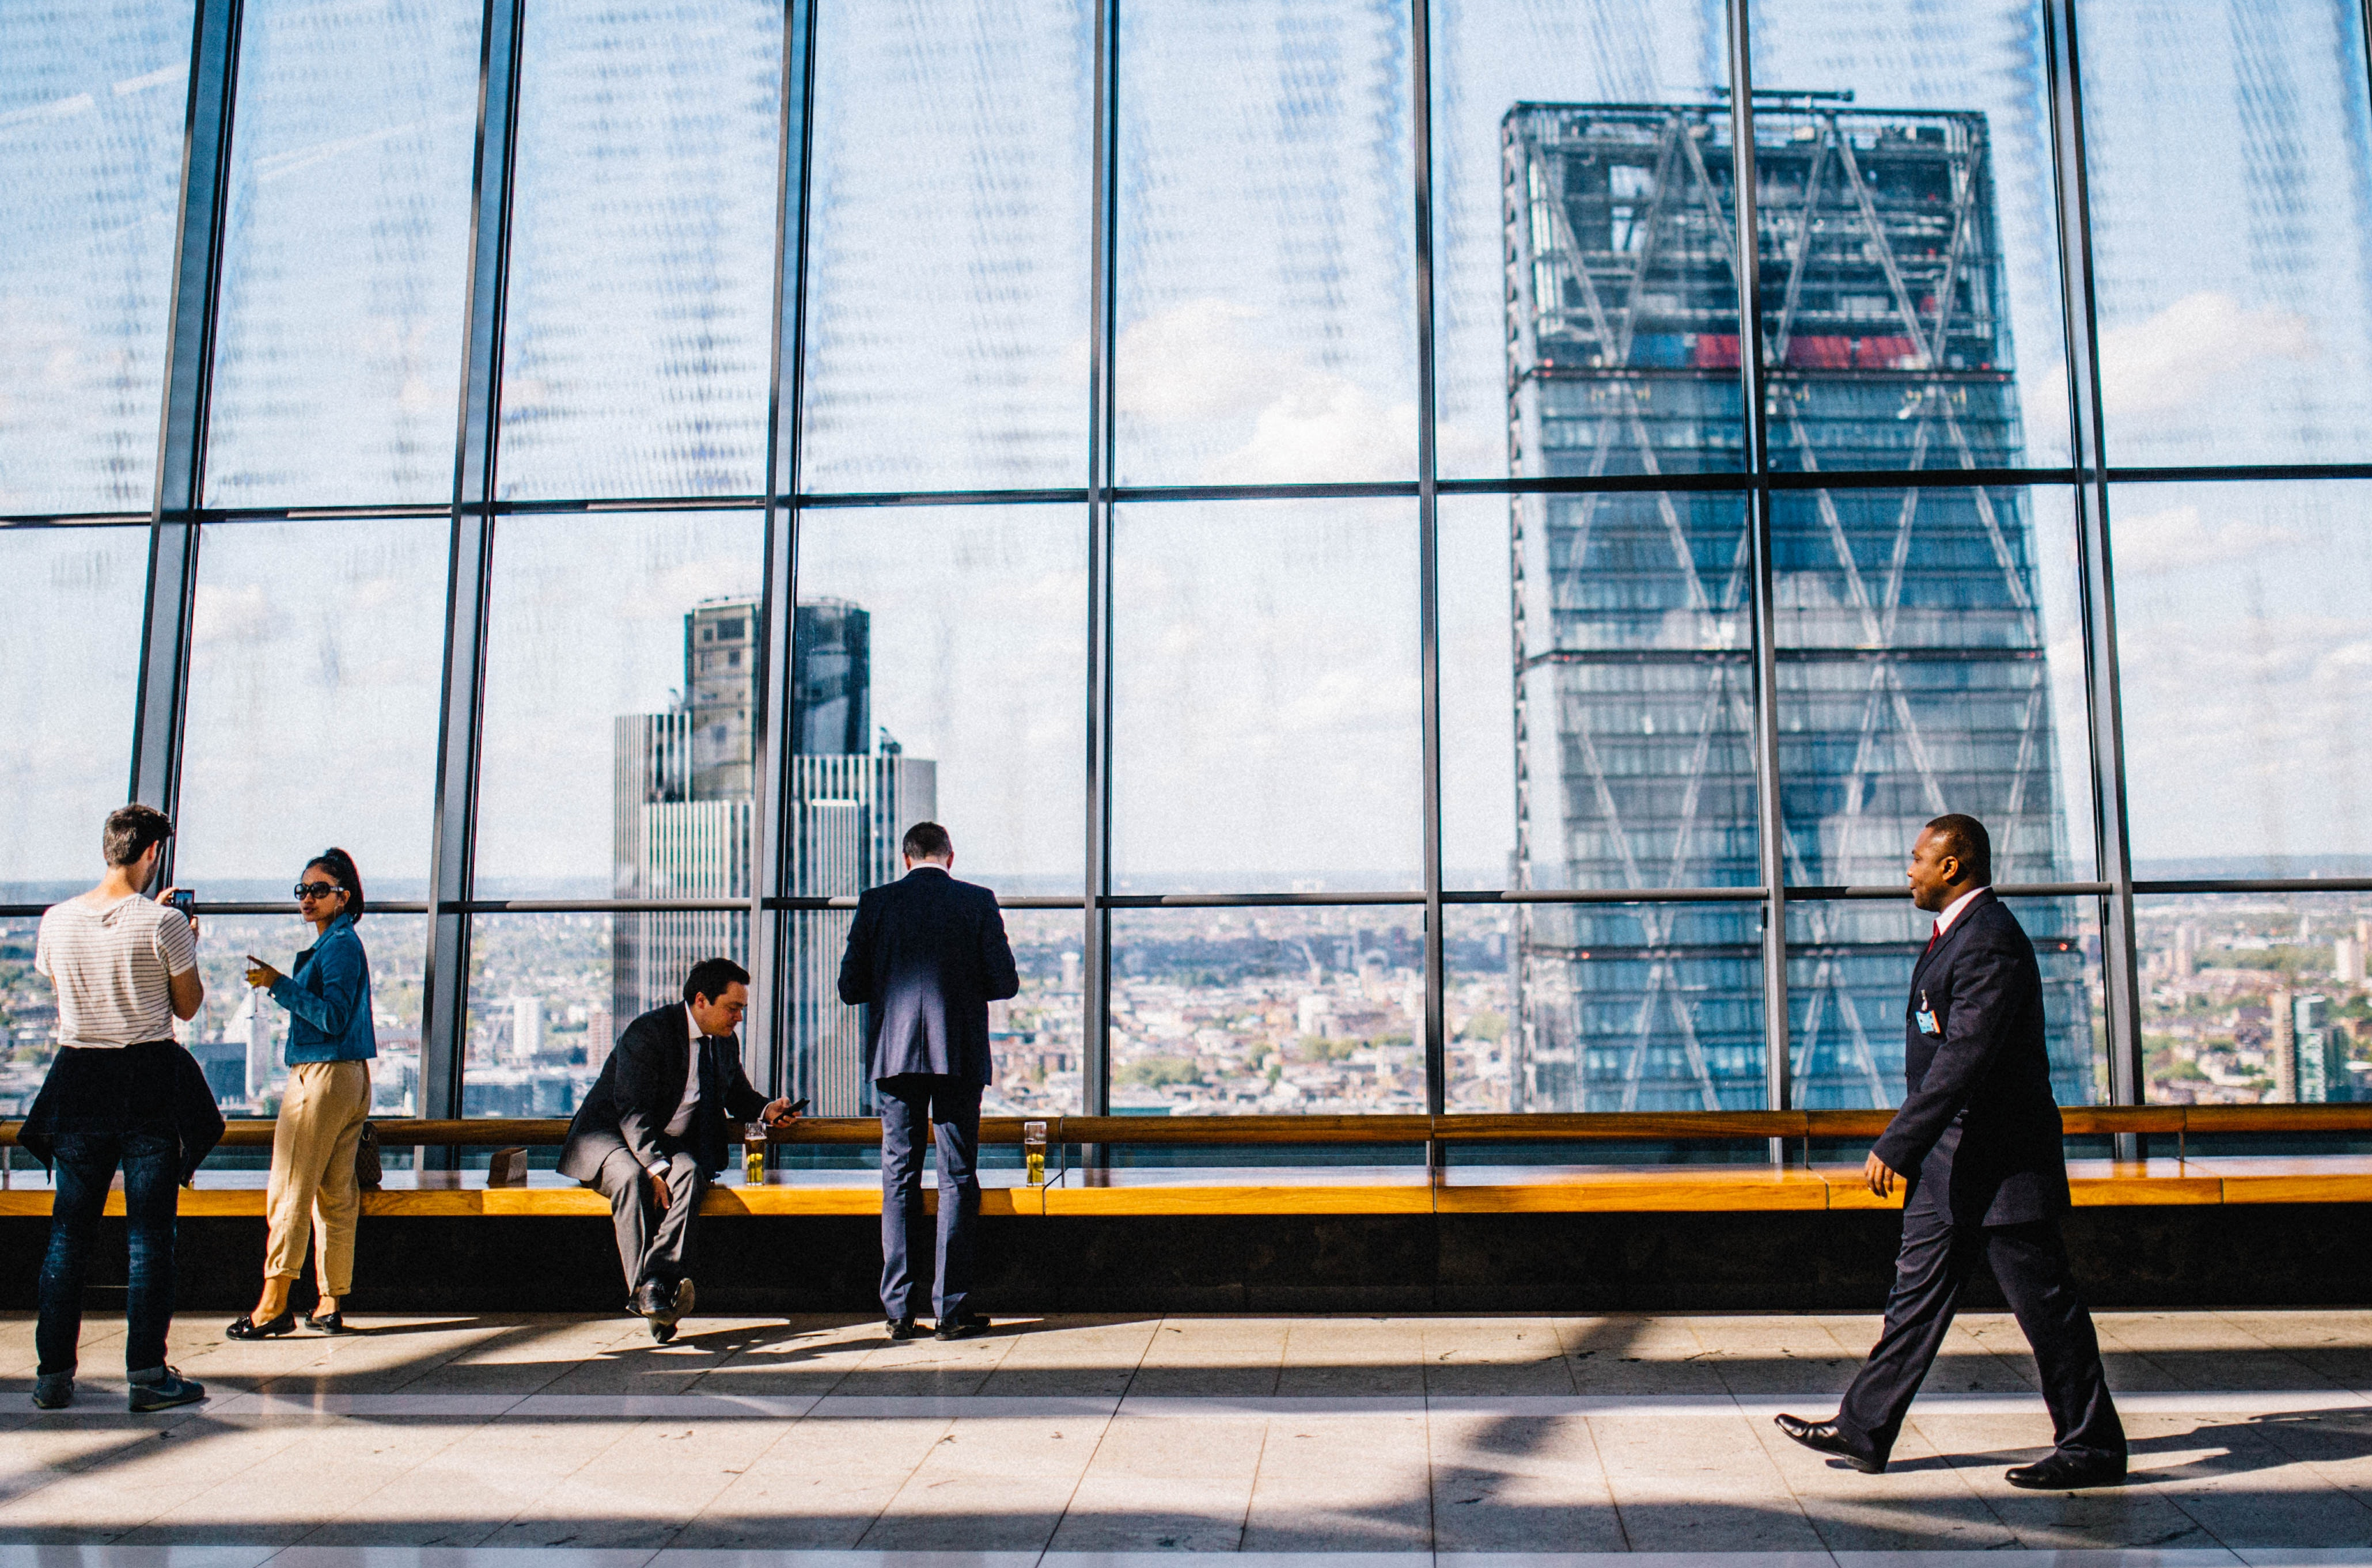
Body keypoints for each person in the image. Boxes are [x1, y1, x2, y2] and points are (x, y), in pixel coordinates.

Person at [1775, 813, 2126, 1491]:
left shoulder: (1988, 941)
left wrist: (1898, 1141)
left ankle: (2092, 1445)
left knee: (2046, 1310)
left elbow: (1963, 1057)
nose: (1905, 870)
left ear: (1952, 866)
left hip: (1998, 1166)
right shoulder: (1958, 935)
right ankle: (1863, 1426)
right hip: (1950, 1166)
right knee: (1912, 1299)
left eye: (1915, 859)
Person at [20, 804, 222, 1412]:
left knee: (68, 1233)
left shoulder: (55, 921)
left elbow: (63, 994)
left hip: (78, 1080)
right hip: (145, 1085)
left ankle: (53, 1374)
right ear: (153, 853)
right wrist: (183, 936)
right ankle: (146, 1373)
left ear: (109, 847)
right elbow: (186, 1007)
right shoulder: (164, 925)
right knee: (149, 1237)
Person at [837, 821, 1019, 1342]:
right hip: (957, 1053)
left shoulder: (876, 903)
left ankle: (897, 1311)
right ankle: (951, 1310)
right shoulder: (977, 901)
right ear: (951, 857)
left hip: (894, 1057)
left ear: (905, 858)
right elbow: (1004, 981)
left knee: (898, 1175)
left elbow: (851, 987)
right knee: (957, 1176)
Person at [556, 957, 793, 1342]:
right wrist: (654, 1165)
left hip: (660, 1142)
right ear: (701, 1000)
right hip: (609, 1135)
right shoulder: (649, 1032)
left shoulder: (723, 1043)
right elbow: (630, 1108)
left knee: (690, 1173)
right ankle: (648, 1293)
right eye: (732, 1007)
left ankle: (656, 1285)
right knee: (632, 1178)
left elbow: (737, 1094)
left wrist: (768, 1109)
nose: (738, 1017)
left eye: (741, 1009)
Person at [228, 848, 377, 1339]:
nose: (307, 898)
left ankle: (273, 1303)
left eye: (319, 890)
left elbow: (331, 1016)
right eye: (303, 890)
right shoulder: (341, 944)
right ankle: (330, 1300)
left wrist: (278, 985)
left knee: (290, 1188)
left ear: (344, 896)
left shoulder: (338, 947)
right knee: (335, 1192)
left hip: (321, 1077)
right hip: (349, 1078)